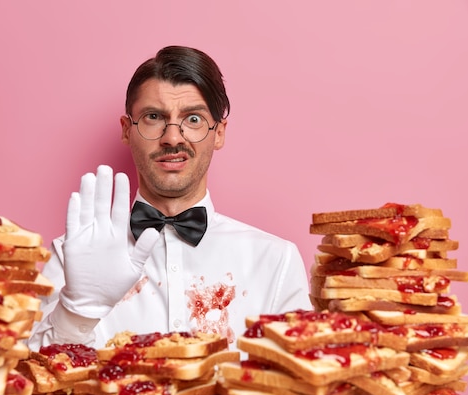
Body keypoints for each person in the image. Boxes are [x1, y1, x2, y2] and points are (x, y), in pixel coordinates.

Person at [28, 45, 311, 351]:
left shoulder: (276, 262)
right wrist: (77, 312)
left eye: (193, 119)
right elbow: (30, 383)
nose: (173, 138)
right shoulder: (71, 256)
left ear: (219, 133)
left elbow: (303, 386)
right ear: (126, 130)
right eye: (154, 117)